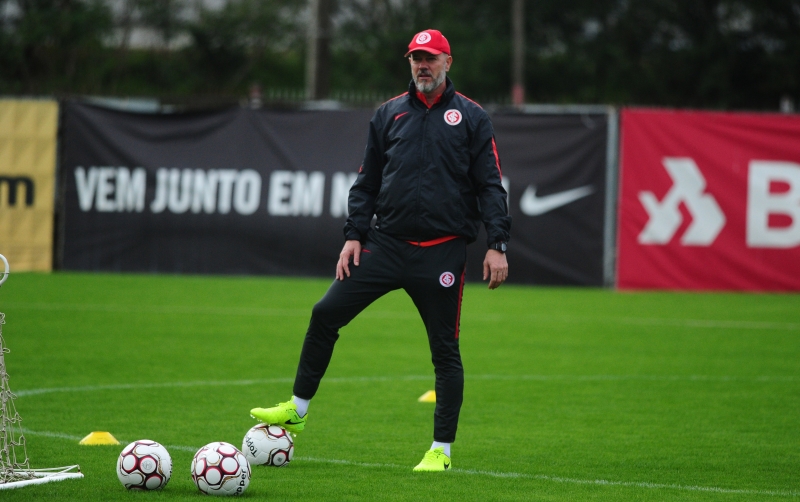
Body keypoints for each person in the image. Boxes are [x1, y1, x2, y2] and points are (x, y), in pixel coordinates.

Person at [250, 28, 511, 472]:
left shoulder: (471, 117)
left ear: (448, 62)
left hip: (441, 252)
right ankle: (297, 408)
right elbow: (367, 181)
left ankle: (441, 452)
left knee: (445, 351)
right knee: (324, 313)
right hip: (385, 245)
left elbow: (489, 184)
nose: (422, 65)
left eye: (430, 58)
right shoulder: (389, 114)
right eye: (416, 58)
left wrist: (497, 244)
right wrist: (354, 235)